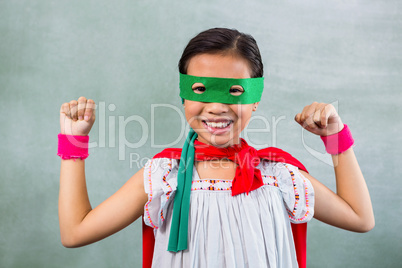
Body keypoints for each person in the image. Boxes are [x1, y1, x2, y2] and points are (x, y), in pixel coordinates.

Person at [58, 28, 374, 267]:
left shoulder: (278, 175)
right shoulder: (163, 176)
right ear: (183, 96)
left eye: (235, 91)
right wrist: (74, 142)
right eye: (200, 90)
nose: (216, 106)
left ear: (256, 100)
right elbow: (75, 233)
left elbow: (360, 218)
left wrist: (336, 138)